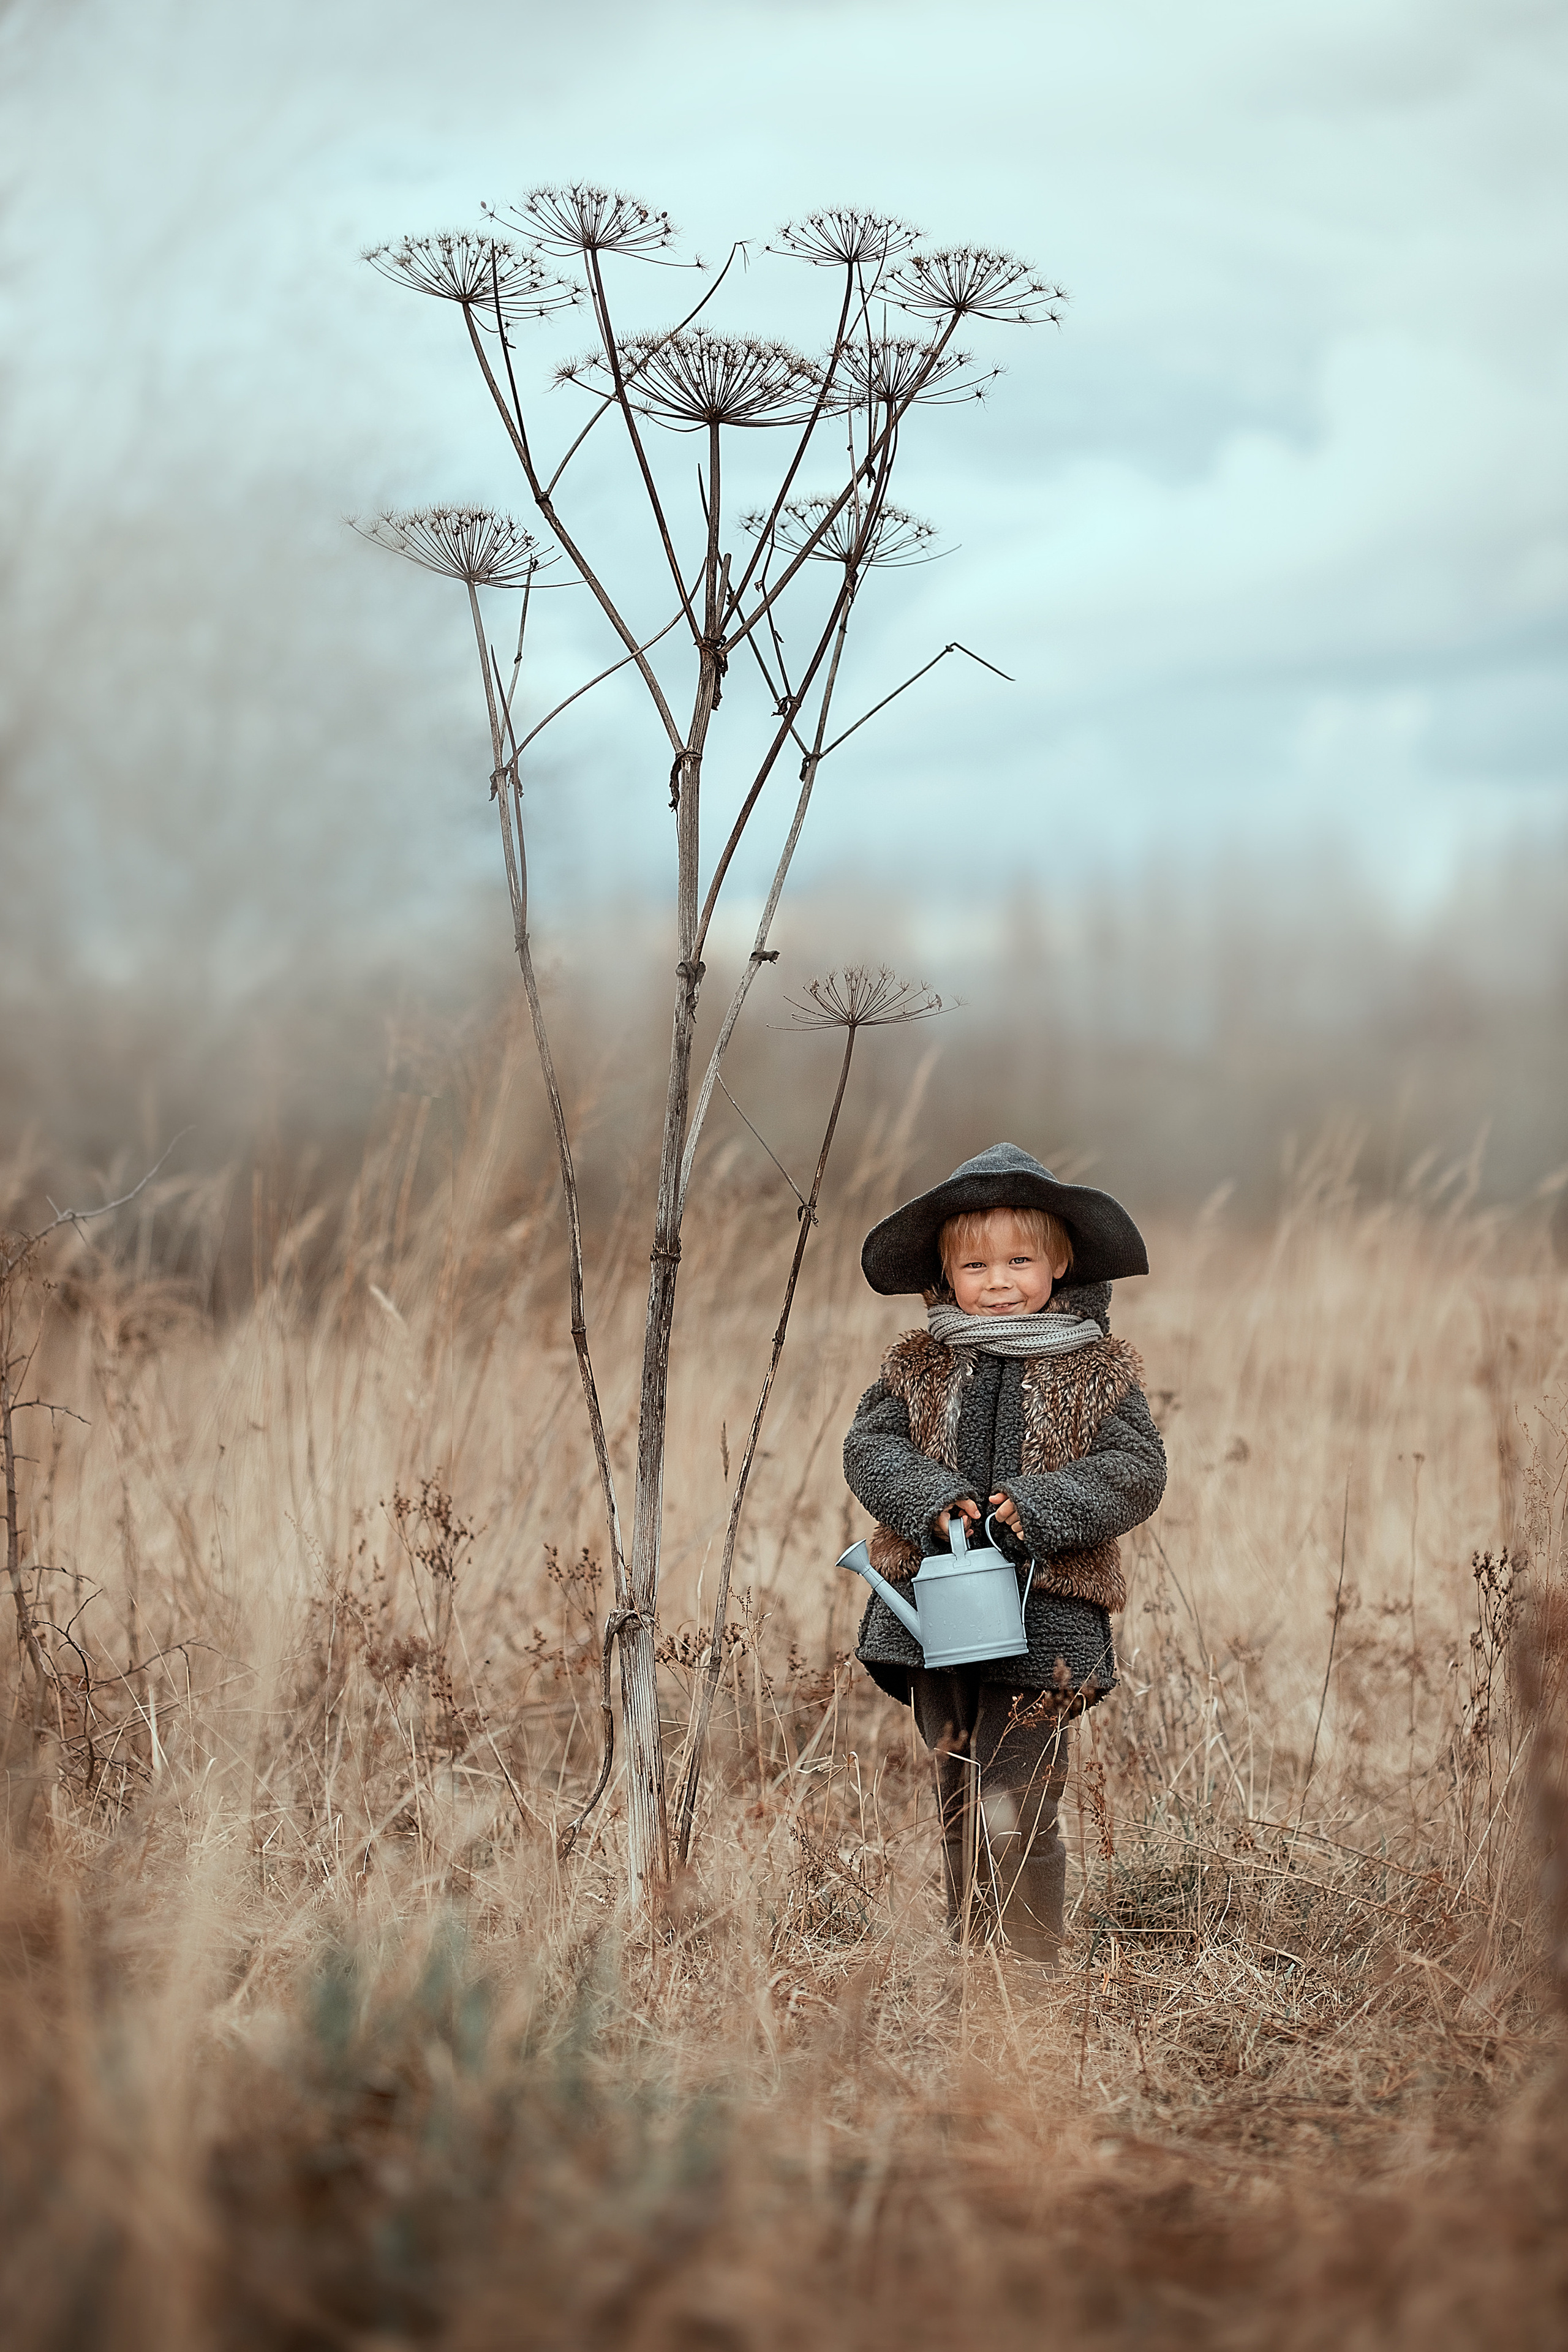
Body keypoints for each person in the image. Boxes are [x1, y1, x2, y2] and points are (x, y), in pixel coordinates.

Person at [842, 1142, 1166, 1968]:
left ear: (1060, 1263)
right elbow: (869, 1450)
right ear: (945, 1276)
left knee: (1017, 1798)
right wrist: (929, 1498)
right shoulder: (917, 1367)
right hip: (936, 1621)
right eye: (975, 1264)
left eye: (1019, 1259)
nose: (997, 1280)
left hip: (1048, 1621)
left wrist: (1044, 1506)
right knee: (958, 1792)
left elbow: (1135, 1472)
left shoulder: (1097, 1370)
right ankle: (971, 1951)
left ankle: (1027, 1970)